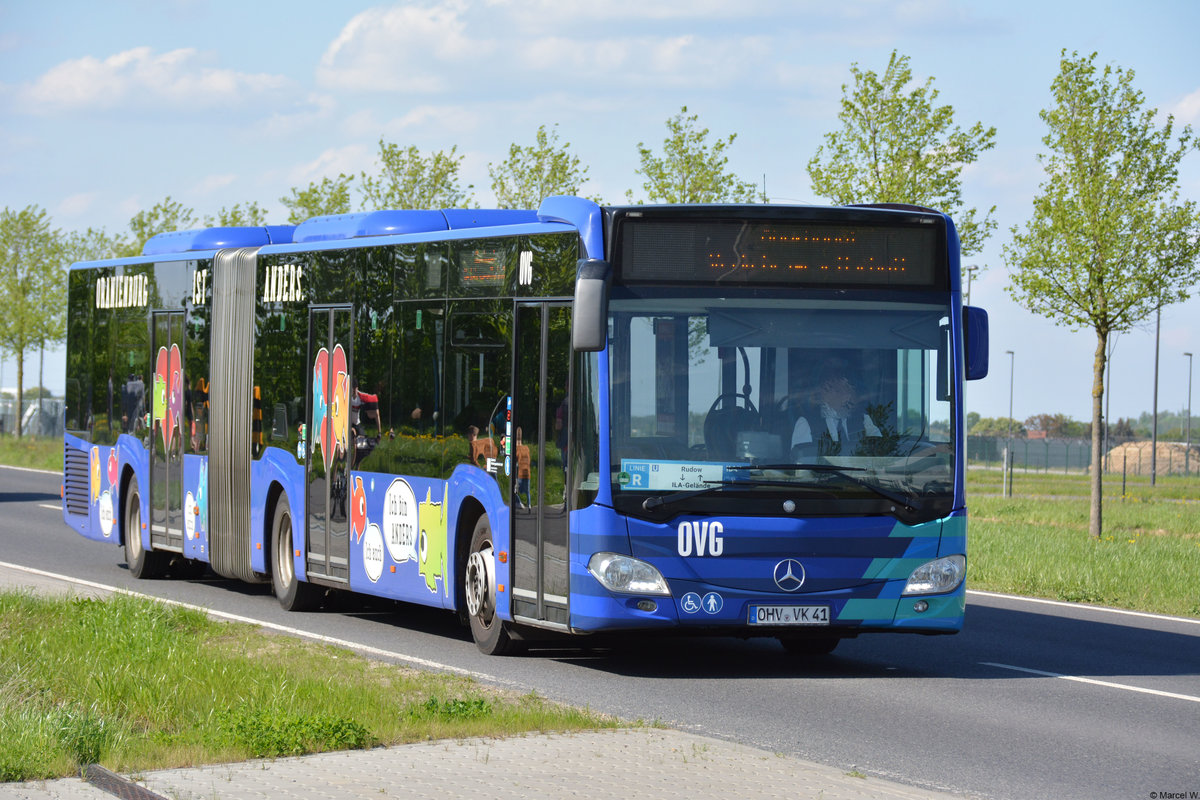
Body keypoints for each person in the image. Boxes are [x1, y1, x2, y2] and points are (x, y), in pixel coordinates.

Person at [790, 358, 880, 458]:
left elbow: (880, 454)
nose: (847, 395)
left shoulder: (864, 421)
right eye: (836, 390)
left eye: (848, 388)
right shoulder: (806, 423)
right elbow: (801, 464)